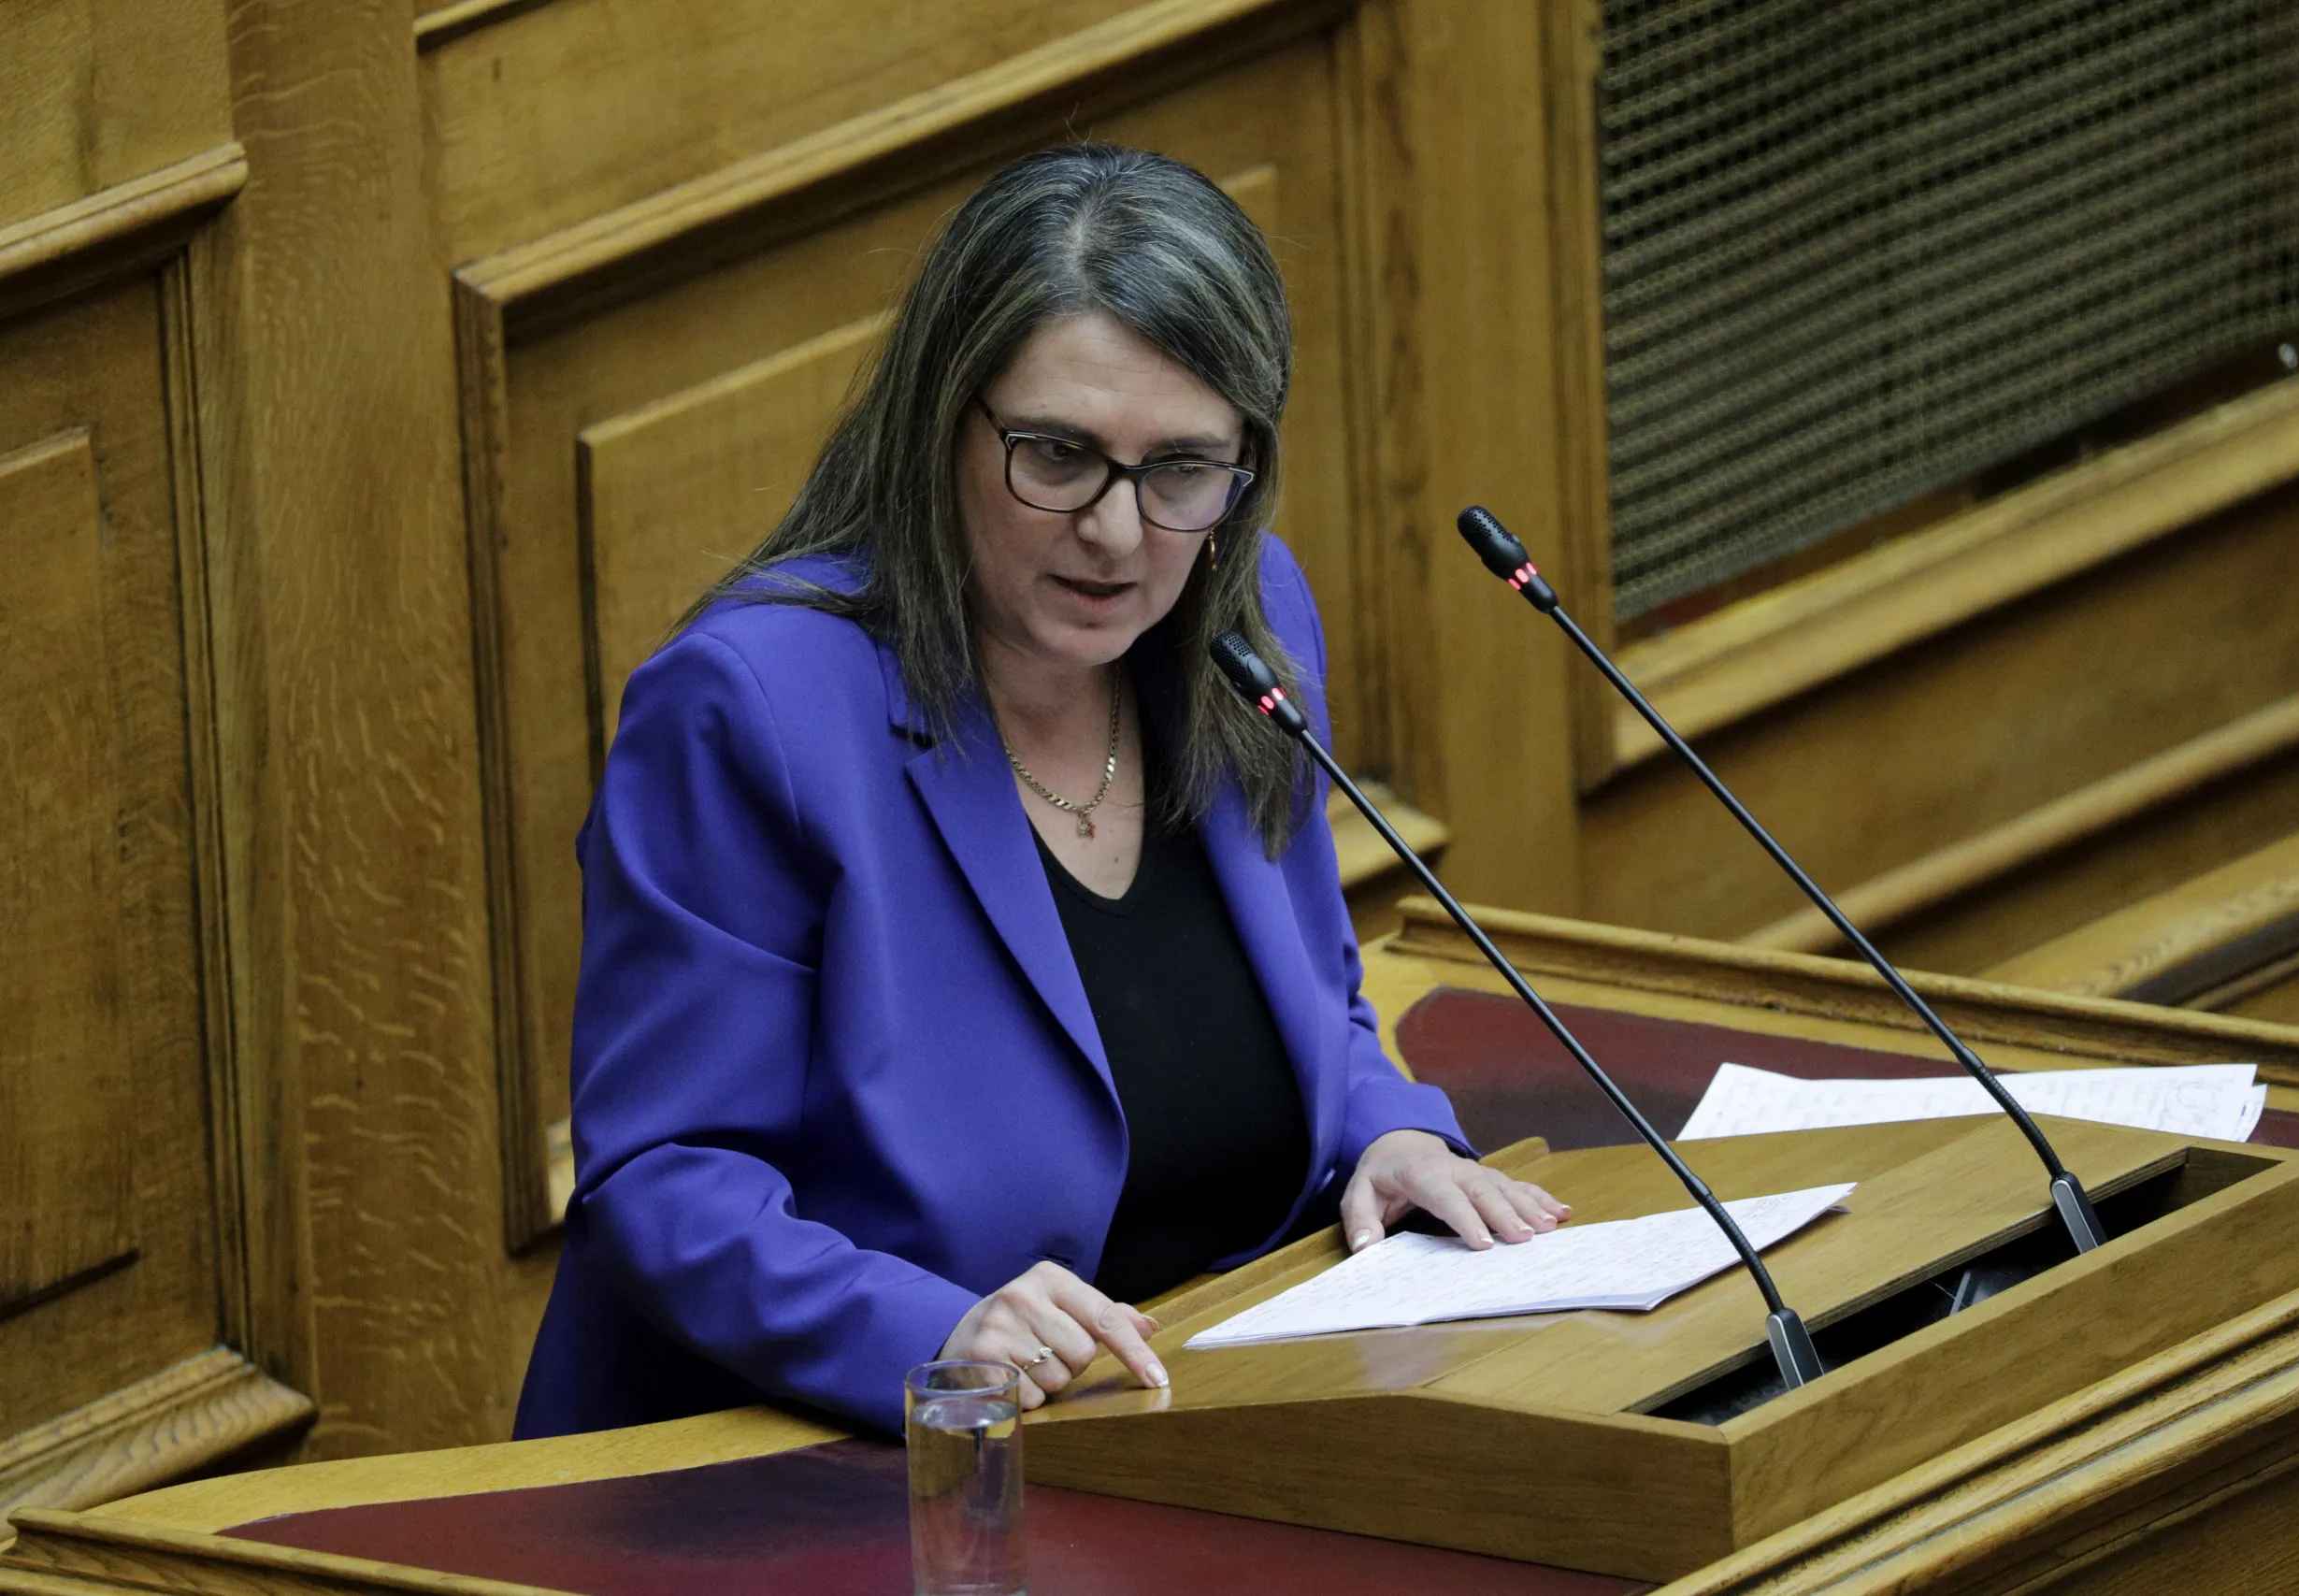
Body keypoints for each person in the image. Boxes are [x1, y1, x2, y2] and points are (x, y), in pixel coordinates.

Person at [514, 143, 1568, 1441]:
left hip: (1207, 1414)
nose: (1119, 533)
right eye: (1059, 455)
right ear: (940, 421)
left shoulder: (1243, 625)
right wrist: (933, 1336)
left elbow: (1317, 999)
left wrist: (1386, 1136)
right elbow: (664, 1178)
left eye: (1183, 469)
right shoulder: (756, 709)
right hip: (845, 1466)